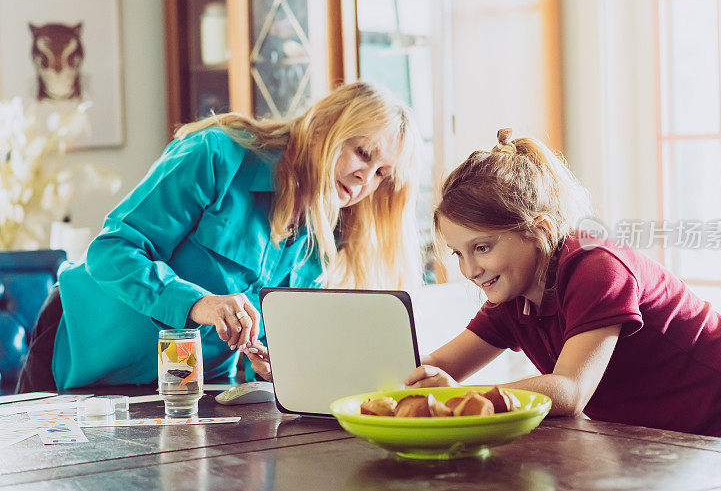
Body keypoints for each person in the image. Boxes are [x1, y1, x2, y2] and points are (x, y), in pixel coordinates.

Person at [402, 128, 721, 446]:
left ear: (538, 230)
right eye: (457, 253)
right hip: (678, 440)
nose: (469, 269)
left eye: (482, 248)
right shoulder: (511, 295)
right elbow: (433, 371)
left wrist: (459, 395)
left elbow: (570, 391)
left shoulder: (597, 267)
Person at [17, 81, 422, 392]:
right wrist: (198, 303)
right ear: (321, 129)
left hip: (182, 392)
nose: (365, 179)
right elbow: (111, 251)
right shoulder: (216, 155)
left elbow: (253, 345)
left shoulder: (325, 238)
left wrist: (266, 362)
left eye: (381, 174)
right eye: (363, 154)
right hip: (83, 352)